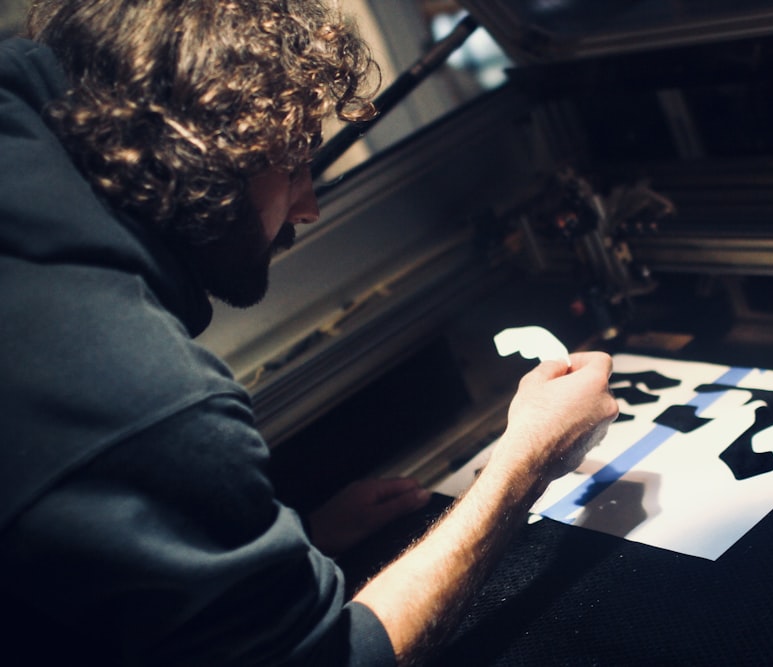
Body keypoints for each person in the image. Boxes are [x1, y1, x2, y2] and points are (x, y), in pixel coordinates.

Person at [0, 1, 619, 665]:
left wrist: (296, 542)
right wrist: (525, 460)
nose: (309, 204)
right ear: (201, 155)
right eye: (295, 164)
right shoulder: (143, 391)